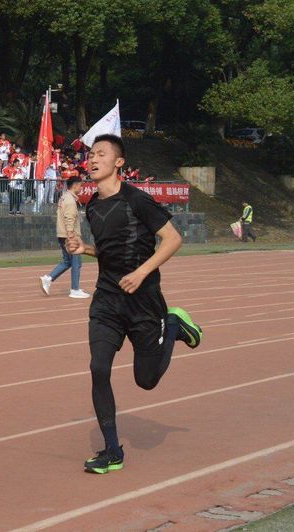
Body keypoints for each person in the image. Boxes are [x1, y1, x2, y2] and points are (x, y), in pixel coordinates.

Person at [66, 134, 203, 474]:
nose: (92, 159)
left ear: (119, 162)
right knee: (99, 368)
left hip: (143, 301)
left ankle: (174, 324)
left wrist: (142, 273)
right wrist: (85, 249)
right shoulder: (92, 206)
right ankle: (112, 451)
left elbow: (173, 239)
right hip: (107, 301)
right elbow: (111, 251)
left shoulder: (136, 200)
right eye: (91, 154)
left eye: (101, 154)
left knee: (147, 380)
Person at [40, 177, 90, 299]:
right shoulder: (70, 200)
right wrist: (71, 234)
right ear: (75, 185)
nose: (81, 188)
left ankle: (48, 278)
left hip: (62, 234)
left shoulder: (64, 197)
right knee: (76, 263)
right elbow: (69, 218)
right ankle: (75, 289)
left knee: (68, 261)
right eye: (80, 185)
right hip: (69, 235)